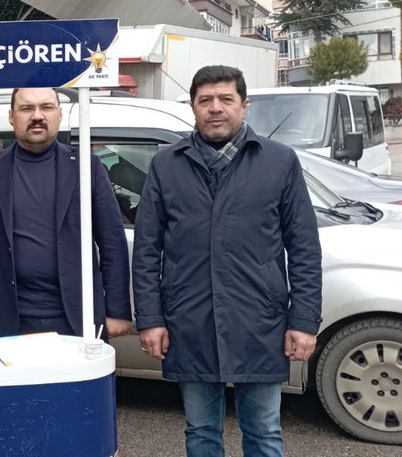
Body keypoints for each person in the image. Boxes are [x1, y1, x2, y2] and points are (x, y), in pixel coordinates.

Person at [131, 65, 323, 457]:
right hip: (190, 319)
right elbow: (147, 248)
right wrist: (150, 318)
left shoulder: (278, 161)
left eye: (225, 99)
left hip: (260, 319)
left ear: (244, 105)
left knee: (264, 432)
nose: (215, 108)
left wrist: (303, 321)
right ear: (193, 108)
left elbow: (303, 246)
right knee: (201, 431)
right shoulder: (167, 165)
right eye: (205, 101)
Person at [0, 87, 131, 340]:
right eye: (26, 108)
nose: (37, 115)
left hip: (77, 318)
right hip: (8, 321)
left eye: (46, 107)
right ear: (11, 116)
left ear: (60, 115)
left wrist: (118, 309)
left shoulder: (87, 167)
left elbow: (112, 242)